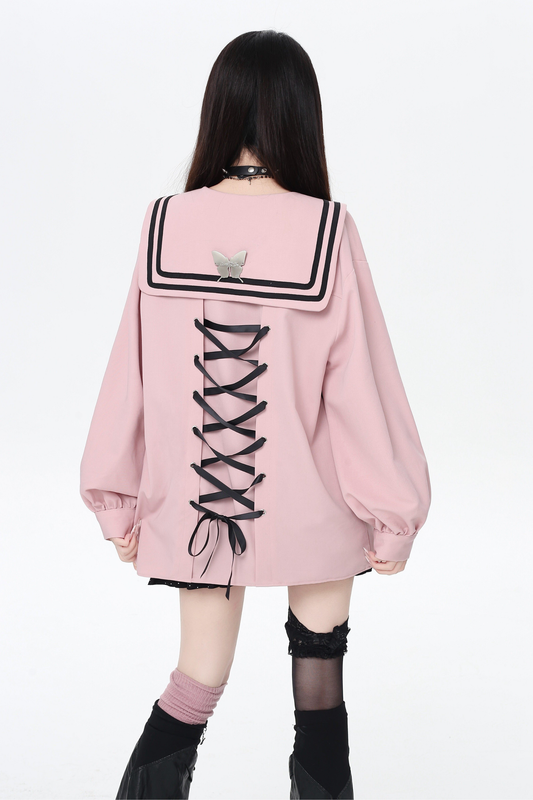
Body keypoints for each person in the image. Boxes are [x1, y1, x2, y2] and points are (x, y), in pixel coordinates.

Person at [79, 29, 431, 800]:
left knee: (194, 682)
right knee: (320, 695)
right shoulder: (326, 229)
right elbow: (361, 390)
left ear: (219, 108)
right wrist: (393, 515)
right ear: (302, 115)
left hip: (197, 517)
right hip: (318, 511)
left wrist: (117, 502)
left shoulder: (164, 223)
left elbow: (128, 375)